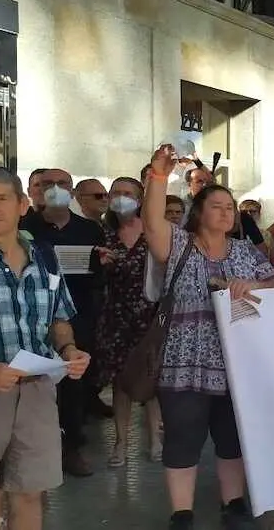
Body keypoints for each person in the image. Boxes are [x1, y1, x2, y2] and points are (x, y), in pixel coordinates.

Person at [144, 146, 274, 529]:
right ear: (198, 212)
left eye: (230, 207)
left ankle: (232, 503)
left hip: (238, 360)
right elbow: (152, 221)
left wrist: (252, 283)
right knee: (183, 438)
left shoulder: (242, 250)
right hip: (184, 361)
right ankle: (182, 513)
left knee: (232, 437)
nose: (226, 212)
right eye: (217, 205)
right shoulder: (178, 245)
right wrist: (157, 176)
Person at [0, 166, 90, 530]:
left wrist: (70, 348)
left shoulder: (44, 255)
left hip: (36, 391)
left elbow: (59, 316)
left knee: (30, 491)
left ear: (23, 205)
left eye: (1, 199)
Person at [19, 168, 107, 476]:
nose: (55, 189)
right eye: (47, 184)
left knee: (73, 385)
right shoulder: (23, 228)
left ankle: (71, 448)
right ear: (34, 191)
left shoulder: (89, 229)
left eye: (62, 184)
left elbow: (99, 274)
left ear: (72, 191)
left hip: (76, 316)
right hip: (30, 320)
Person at [95, 177, 163, 468]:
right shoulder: (102, 232)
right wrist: (101, 265)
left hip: (149, 314)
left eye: (128, 193)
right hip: (115, 316)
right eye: (116, 193)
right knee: (121, 382)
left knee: (151, 380)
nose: (121, 198)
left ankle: (156, 439)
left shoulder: (153, 231)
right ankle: (121, 441)